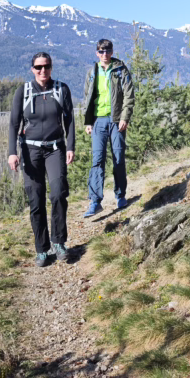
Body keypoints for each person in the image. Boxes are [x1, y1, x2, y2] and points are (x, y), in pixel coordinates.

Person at [8, 52, 75, 266]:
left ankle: (59, 242)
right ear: (32, 69)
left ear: (51, 67)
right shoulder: (23, 91)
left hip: (55, 149)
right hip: (31, 151)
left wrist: (70, 146)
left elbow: (70, 120)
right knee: (36, 201)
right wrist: (12, 152)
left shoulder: (61, 89)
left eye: (46, 66)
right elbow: (13, 124)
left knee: (58, 194)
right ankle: (42, 249)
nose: (42, 71)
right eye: (38, 67)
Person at [82, 39, 135, 216]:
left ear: (112, 51)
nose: (104, 54)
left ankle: (120, 196)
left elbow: (129, 95)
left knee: (118, 158)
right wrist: (88, 121)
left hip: (116, 120)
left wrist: (124, 117)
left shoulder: (120, 70)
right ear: (97, 53)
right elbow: (87, 97)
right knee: (97, 160)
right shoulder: (92, 72)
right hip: (98, 121)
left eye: (107, 51)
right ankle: (95, 201)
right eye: (101, 51)